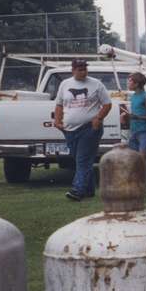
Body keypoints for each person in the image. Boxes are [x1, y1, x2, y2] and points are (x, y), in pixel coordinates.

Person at [53, 58, 112, 201]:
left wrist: (98, 118)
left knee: (82, 160)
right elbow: (59, 104)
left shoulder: (96, 84)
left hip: (89, 129)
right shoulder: (65, 84)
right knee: (82, 160)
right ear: (73, 70)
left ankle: (77, 190)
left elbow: (107, 104)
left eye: (85, 68)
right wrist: (57, 120)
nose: (83, 71)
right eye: (80, 69)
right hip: (69, 129)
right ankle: (89, 190)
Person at [124, 71, 146, 194]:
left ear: (137, 84)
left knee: (142, 159)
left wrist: (138, 117)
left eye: (130, 81)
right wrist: (127, 117)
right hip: (134, 132)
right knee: (133, 160)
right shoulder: (133, 97)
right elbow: (134, 115)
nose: (128, 83)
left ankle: (145, 185)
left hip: (144, 132)